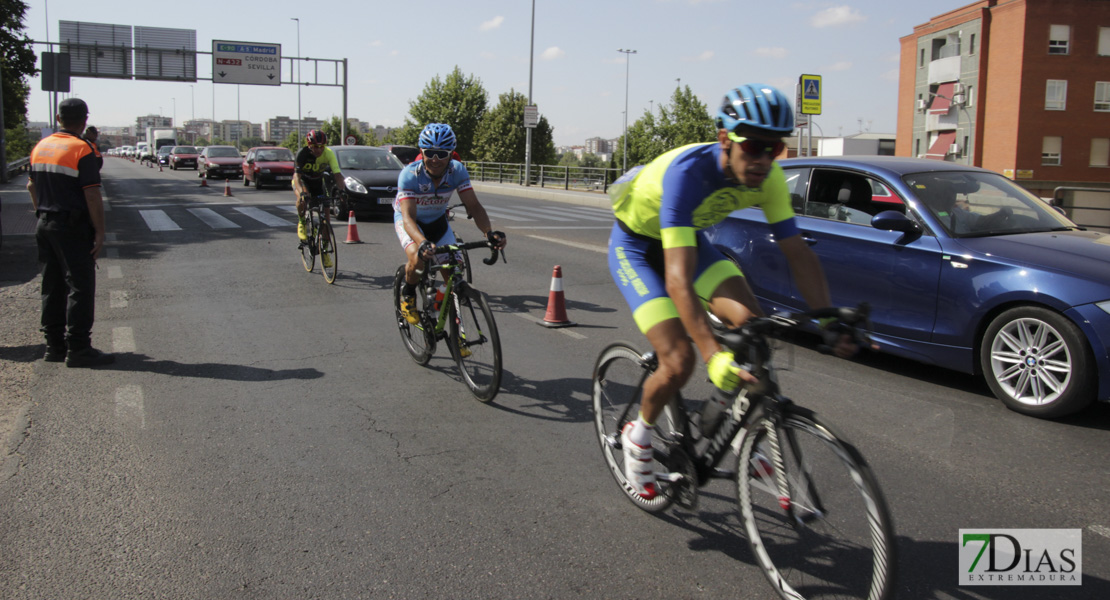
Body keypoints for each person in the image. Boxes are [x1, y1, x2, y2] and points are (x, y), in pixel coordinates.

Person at [607, 83, 859, 499]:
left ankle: (741, 431)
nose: (763, 160)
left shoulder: (769, 179)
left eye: (774, 148)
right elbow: (677, 280)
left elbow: (797, 251)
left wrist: (828, 316)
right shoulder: (688, 173)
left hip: (689, 243)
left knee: (754, 330)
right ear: (726, 138)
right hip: (636, 246)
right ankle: (639, 436)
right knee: (679, 360)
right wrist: (712, 355)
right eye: (754, 146)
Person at [26, 98, 114, 367]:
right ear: (85, 120)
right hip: (73, 227)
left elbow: (31, 187)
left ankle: (54, 347)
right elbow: (91, 194)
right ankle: (78, 348)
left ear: (58, 117)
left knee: (52, 285)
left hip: (45, 223)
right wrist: (99, 231)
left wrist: (42, 213)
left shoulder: (40, 147)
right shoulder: (83, 149)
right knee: (80, 286)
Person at [394, 123, 505, 325]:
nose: (435, 159)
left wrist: (489, 233)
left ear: (451, 154)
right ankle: (408, 294)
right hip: (411, 222)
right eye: (430, 153)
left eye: (442, 154)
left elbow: (474, 206)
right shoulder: (410, 175)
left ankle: (438, 307)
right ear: (422, 152)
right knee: (418, 260)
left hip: (437, 222)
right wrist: (422, 243)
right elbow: (408, 219)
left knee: (454, 270)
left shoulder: (457, 171)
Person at [293, 130, 347, 268]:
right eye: (315, 147)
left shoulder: (328, 153)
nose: (319, 150)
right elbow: (297, 178)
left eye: (321, 146)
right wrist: (302, 193)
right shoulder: (302, 154)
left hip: (317, 183)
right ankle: (302, 221)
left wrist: (342, 191)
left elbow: (338, 175)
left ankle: (324, 252)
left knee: (326, 219)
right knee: (303, 198)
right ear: (309, 145)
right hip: (303, 182)